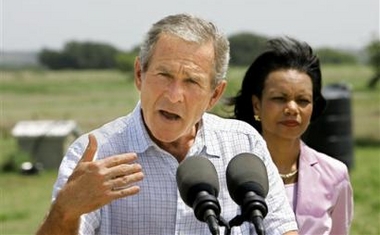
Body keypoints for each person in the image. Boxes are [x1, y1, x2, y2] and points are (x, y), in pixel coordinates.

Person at [36, 14, 298, 235]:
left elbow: (281, 227)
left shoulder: (244, 144)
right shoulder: (96, 154)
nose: (174, 95)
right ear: (140, 75)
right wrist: (65, 210)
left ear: (215, 95)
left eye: (191, 82)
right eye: (164, 75)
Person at [227, 37, 354, 234]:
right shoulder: (228, 171)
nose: (292, 108)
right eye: (280, 98)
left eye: (303, 100)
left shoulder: (335, 175)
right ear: (256, 105)